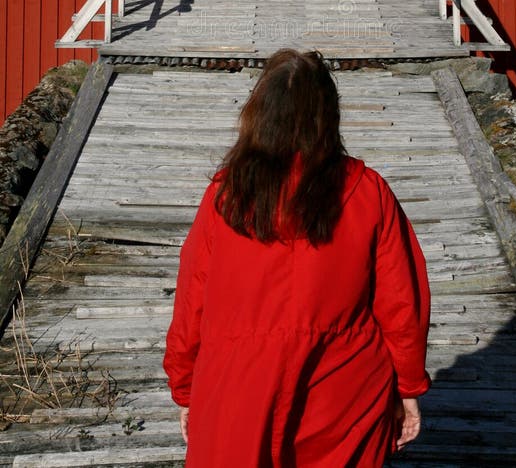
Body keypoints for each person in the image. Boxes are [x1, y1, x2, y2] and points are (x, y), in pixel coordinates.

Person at [164, 49, 430, 467]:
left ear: (259, 114)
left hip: (238, 387)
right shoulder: (366, 190)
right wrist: (408, 387)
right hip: (343, 389)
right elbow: (401, 303)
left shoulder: (225, 195)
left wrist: (186, 387)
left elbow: (191, 299)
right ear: (327, 116)